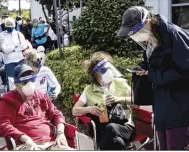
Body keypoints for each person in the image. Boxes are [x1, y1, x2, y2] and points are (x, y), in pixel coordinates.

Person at [117, 6, 189, 150]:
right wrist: (143, 68)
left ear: (147, 22)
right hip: (162, 106)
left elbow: (185, 71)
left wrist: (152, 74)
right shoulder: (152, 38)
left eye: (136, 32)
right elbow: (154, 63)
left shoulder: (173, 34)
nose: (135, 36)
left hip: (179, 109)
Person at [0, 64, 73, 150]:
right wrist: (25, 138)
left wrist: (60, 133)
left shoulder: (40, 95)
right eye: (25, 82)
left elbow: (56, 114)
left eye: (32, 80)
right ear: (16, 84)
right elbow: (4, 125)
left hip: (51, 142)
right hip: (27, 144)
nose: (29, 84)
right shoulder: (8, 100)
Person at [72, 52, 135, 150]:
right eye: (105, 70)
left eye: (109, 68)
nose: (109, 72)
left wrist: (120, 99)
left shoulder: (120, 83)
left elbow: (137, 99)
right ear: (96, 76)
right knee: (118, 142)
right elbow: (75, 111)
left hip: (125, 127)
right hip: (102, 130)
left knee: (110, 128)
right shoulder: (89, 90)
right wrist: (90, 109)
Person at [0, 17, 28, 91]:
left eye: (11, 25)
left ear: (14, 25)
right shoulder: (2, 35)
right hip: (9, 62)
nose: (9, 27)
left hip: (20, 60)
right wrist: (16, 46)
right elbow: (4, 49)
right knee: (11, 83)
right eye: (7, 25)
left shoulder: (19, 34)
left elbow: (24, 45)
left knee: (22, 81)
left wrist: (11, 49)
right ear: (5, 26)